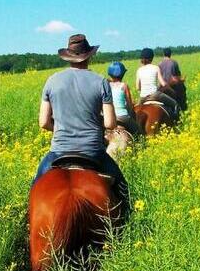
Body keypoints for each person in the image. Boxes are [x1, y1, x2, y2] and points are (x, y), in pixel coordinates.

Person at [32, 33, 129, 204]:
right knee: (122, 189)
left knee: (35, 188)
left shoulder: (52, 81)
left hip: (59, 152)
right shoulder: (101, 81)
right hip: (92, 151)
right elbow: (110, 123)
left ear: (68, 57)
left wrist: (64, 127)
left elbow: (43, 122)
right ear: (89, 56)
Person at [135, 48, 179, 119]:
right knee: (175, 104)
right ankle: (177, 123)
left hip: (143, 97)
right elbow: (163, 84)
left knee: (134, 109)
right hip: (155, 95)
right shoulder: (156, 68)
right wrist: (171, 90)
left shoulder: (139, 70)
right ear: (152, 58)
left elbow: (137, 87)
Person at [107, 61, 141, 138]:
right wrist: (130, 113)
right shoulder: (124, 86)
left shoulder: (107, 85)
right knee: (139, 132)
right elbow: (129, 103)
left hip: (110, 116)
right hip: (122, 116)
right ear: (122, 74)